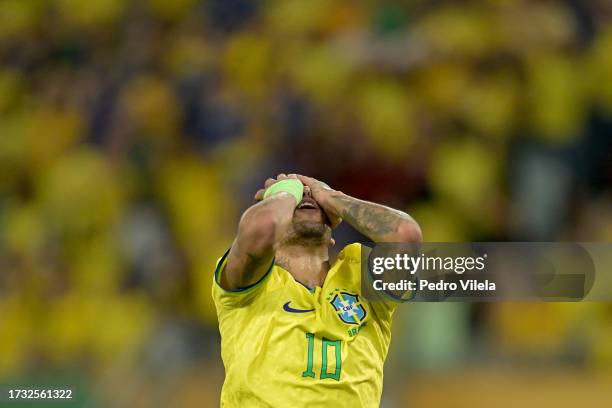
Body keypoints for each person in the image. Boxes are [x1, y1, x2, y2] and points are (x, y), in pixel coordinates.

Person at [212, 173, 421, 407]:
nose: (304, 195)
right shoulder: (248, 285)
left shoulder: (359, 274)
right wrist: (285, 191)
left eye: (312, 198)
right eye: (293, 200)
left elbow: (405, 236)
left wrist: (331, 196)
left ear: (332, 235)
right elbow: (264, 226)